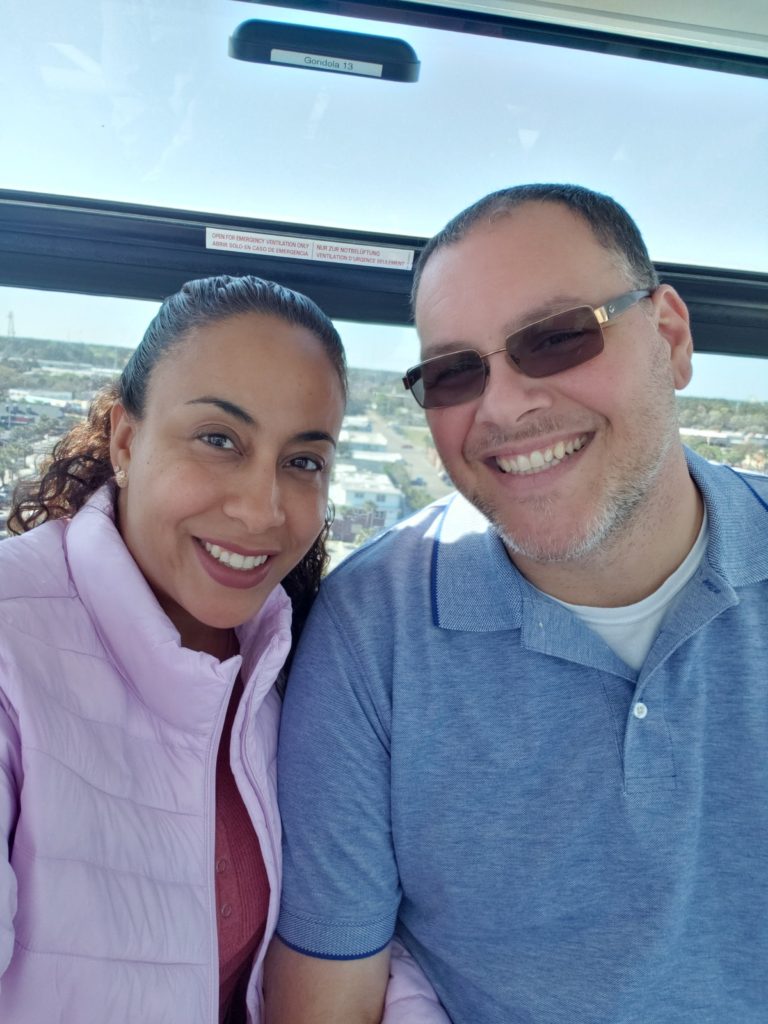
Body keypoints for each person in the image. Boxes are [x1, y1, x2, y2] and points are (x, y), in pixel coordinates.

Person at [265, 184, 768, 1023]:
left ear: (671, 337)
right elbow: (327, 1003)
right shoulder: (377, 628)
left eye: (560, 337)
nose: (502, 407)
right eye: (455, 371)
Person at [0, 274, 349, 1024]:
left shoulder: (308, 658)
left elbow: (378, 925)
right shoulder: (11, 640)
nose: (263, 510)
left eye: (303, 461)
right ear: (126, 441)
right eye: (219, 440)